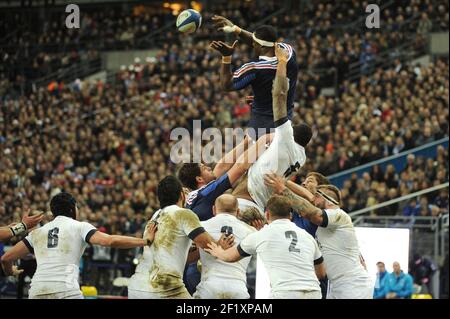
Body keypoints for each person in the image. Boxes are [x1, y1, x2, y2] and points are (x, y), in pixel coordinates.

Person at [0, 192, 156, 299]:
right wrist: (144, 241)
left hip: (37, 291)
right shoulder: (80, 226)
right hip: (66, 291)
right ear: (72, 209)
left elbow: (6, 258)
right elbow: (110, 241)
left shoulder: (38, 233)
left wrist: (10, 271)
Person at [231, 44, 312, 213]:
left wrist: (282, 62)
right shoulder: (301, 156)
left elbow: (280, 95)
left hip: (247, 197)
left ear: (292, 132)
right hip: (261, 204)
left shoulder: (285, 136)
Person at [265, 179, 373, 299]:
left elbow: (311, 213)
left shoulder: (339, 215)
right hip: (336, 285)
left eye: (316, 196)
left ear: (329, 200)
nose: (313, 199)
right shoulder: (318, 226)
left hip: (352, 284)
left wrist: (284, 188)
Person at [206, 195, 325, 299]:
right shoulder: (307, 237)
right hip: (313, 292)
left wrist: (217, 250)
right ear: (290, 215)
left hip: (284, 293)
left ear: (267, 214)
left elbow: (230, 257)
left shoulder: (261, 235)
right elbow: (321, 273)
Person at [137, 176, 232, 299]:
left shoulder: (155, 216)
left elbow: (181, 258)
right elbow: (210, 246)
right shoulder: (184, 214)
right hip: (167, 286)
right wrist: (220, 246)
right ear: (182, 196)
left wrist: (199, 252)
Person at [210, 16, 298, 136]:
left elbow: (226, 85)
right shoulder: (289, 53)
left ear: (261, 46)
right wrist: (236, 29)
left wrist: (226, 56)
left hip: (262, 126)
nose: (251, 43)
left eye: (254, 43)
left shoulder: (254, 68)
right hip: (285, 121)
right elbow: (262, 43)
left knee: (248, 154)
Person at [193, 194, 256, 299]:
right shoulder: (251, 231)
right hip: (238, 289)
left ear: (213, 209)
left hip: (208, 289)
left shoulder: (199, 227)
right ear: (238, 211)